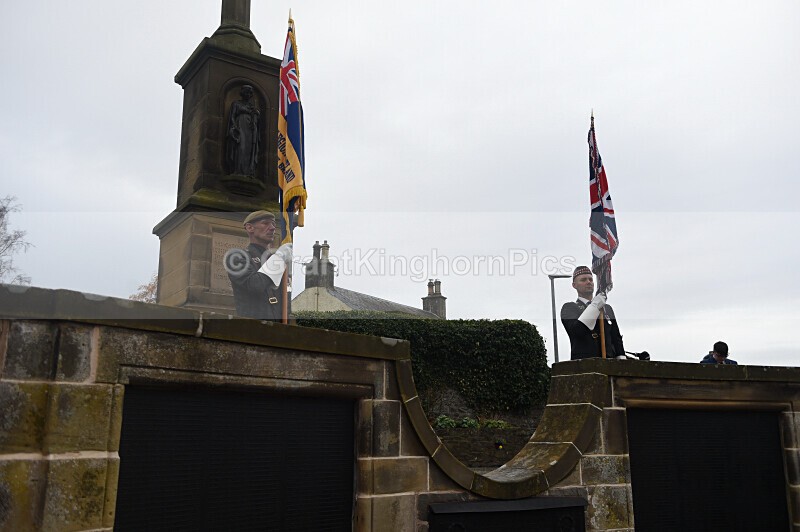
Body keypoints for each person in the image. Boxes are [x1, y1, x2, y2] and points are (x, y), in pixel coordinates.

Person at [225, 211, 292, 320]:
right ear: (250, 228)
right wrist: (279, 258)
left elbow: (287, 298)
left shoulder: (275, 260)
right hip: (253, 328)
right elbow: (254, 285)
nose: (272, 228)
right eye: (265, 223)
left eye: (274, 224)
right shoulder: (237, 257)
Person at [560, 266, 625, 360]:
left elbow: (616, 338)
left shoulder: (606, 309)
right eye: (583, 280)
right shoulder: (569, 308)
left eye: (590, 279)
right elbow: (577, 331)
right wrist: (594, 306)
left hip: (609, 364)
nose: (588, 282)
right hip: (585, 365)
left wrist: (622, 361)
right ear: (574, 285)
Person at [226, 85, 260, 176]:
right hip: (240, 125)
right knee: (241, 147)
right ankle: (238, 170)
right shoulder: (236, 103)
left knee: (249, 149)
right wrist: (234, 126)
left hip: (250, 129)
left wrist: (256, 114)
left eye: (250, 93)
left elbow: (258, 119)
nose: (248, 94)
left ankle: (248, 171)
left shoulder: (252, 107)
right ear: (242, 93)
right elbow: (232, 117)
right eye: (246, 92)